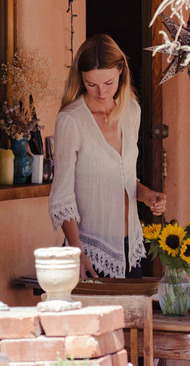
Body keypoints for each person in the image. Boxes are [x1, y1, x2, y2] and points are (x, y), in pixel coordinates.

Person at [48, 34, 167, 279]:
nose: (101, 92)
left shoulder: (131, 111)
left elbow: (124, 179)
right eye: (91, 84)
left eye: (108, 83)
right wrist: (76, 251)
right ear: (81, 79)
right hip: (88, 254)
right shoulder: (72, 120)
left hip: (130, 251)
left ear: (121, 70)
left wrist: (149, 196)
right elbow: (62, 196)